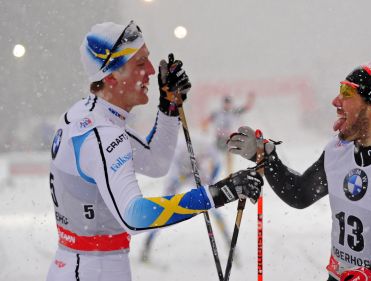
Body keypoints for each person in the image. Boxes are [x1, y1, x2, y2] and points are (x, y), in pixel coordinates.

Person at [46, 21, 263, 281]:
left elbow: (156, 162)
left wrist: (169, 107)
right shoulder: (102, 134)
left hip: (85, 264)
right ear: (111, 75)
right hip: (94, 270)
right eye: (140, 64)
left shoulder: (89, 116)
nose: (151, 71)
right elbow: (135, 216)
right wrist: (216, 194)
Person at [227, 61, 371, 281]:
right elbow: (300, 195)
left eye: (347, 93)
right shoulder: (338, 151)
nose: (336, 101)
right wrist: (267, 158)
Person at [140, 137, 231, 263]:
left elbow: (217, 167)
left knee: (214, 208)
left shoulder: (212, 150)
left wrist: (210, 182)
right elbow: (174, 163)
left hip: (199, 175)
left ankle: (231, 246)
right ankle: (147, 246)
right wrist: (180, 176)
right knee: (164, 209)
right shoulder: (186, 145)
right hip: (179, 175)